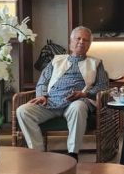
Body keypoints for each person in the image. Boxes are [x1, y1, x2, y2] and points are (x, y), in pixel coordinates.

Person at [16, 26, 109, 161]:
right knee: (23, 111)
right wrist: (42, 95)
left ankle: (73, 153)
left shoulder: (96, 63)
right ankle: (38, 153)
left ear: (89, 45)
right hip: (50, 101)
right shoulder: (56, 60)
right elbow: (42, 82)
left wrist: (84, 95)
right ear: (71, 42)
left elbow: (103, 86)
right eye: (78, 38)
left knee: (78, 107)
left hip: (77, 101)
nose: (81, 42)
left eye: (85, 40)